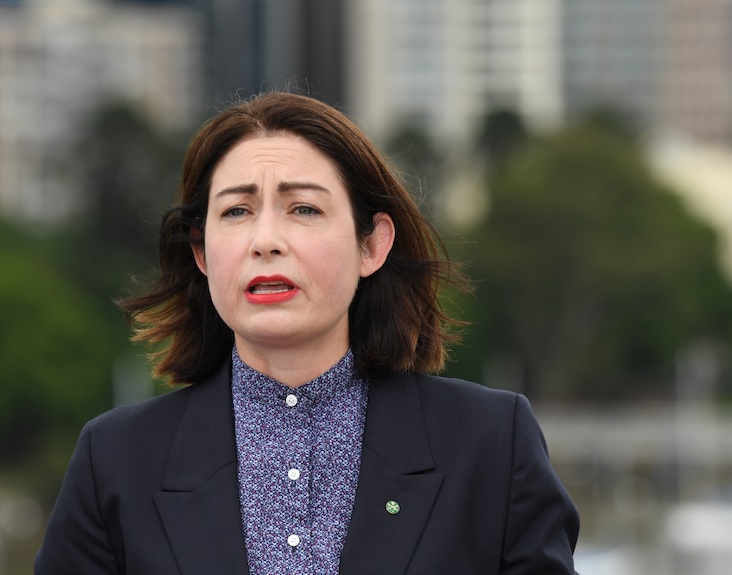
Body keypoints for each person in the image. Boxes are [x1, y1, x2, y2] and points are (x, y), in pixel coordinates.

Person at [34, 91, 579, 574]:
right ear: (201, 252)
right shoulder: (114, 459)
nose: (265, 239)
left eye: (303, 208)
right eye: (237, 211)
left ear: (372, 245)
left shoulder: (490, 443)